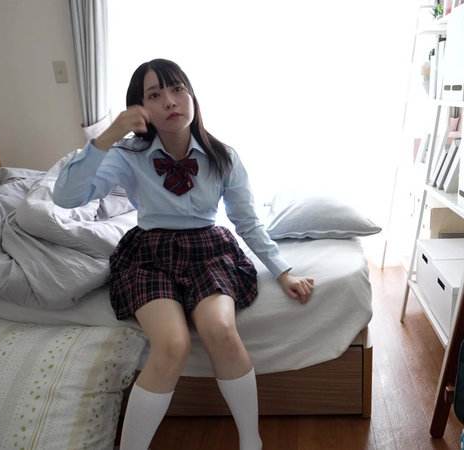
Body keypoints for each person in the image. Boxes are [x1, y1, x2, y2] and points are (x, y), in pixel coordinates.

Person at [53, 58, 314, 450]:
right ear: (140, 108)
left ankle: (251, 442)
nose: (170, 101)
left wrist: (282, 271)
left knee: (221, 331)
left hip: (209, 250)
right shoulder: (127, 155)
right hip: (150, 253)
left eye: (177, 89)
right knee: (172, 345)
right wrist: (111, 134)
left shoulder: (223, 156)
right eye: (155, 95)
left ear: (191, 95)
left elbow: (247, 221)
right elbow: (66, 197)